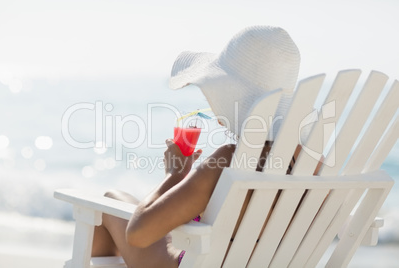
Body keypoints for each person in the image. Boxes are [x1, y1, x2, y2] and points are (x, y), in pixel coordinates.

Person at [92, 25, 301, 267]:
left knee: (109, 202)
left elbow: (138, 234)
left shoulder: (229, 163)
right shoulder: (312, 165)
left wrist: (175, 174)